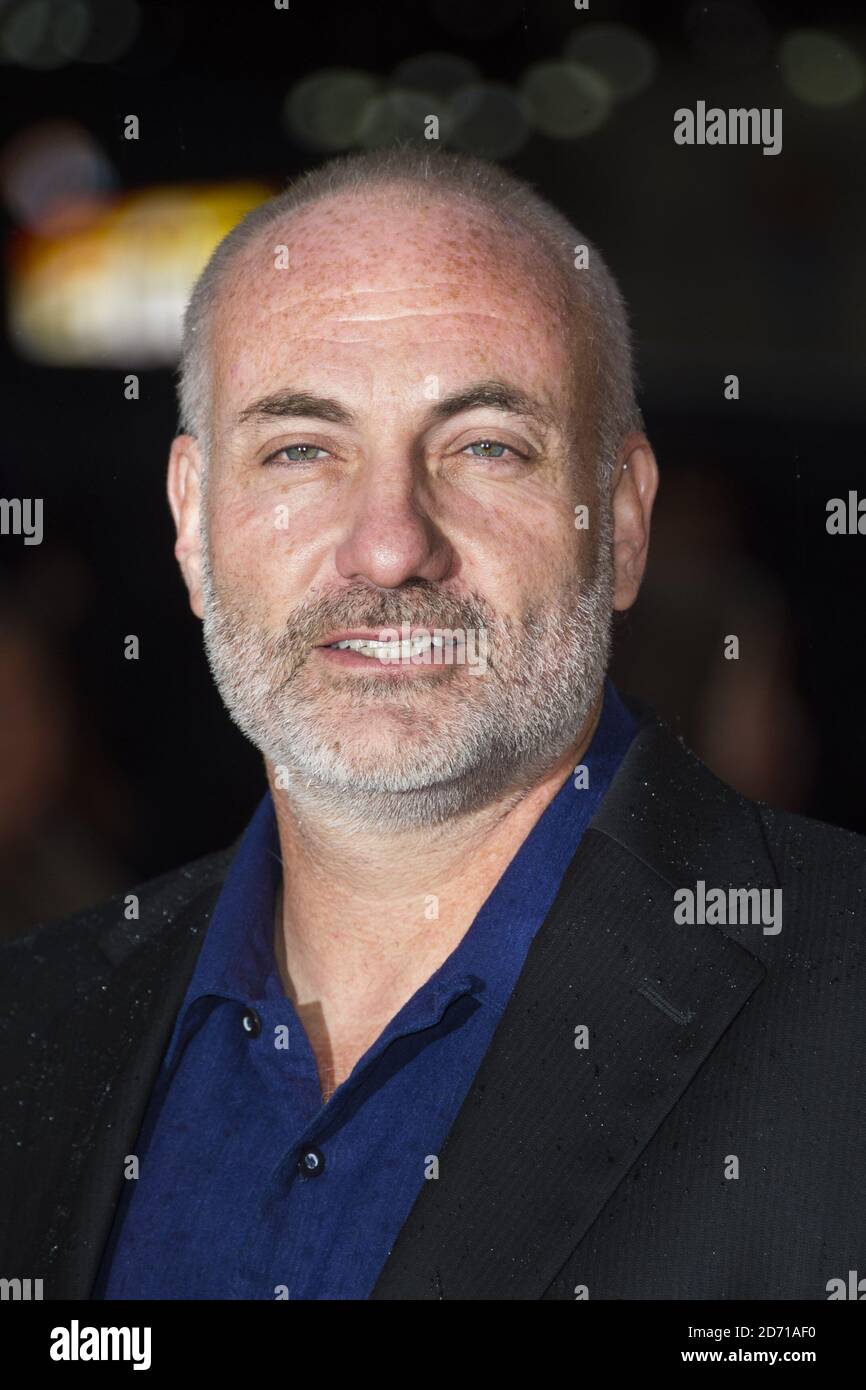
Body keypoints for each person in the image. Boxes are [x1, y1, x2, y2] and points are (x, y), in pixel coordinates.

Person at [1, 147, 863, 1301]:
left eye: (484, 447)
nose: (391, 544)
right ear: (194, 525)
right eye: (302, 448)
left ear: (618, 518)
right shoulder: (33, 1021)